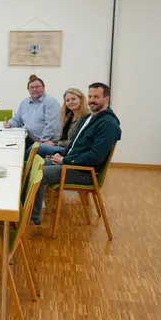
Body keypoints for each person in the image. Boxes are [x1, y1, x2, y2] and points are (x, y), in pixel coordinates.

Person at [30, 83, 121, 225]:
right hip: (72, 163)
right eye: (90, 96)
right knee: (30, 166)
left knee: (39, 174)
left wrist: (65, 160)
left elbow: (95, 157)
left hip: (84, 172)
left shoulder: (107, 124)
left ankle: (32, 219)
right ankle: (21, 209)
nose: (92, 100)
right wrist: (63, 157)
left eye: (96, 97)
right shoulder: (90, 118)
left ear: (106, 99)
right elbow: (74, 144)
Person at [4, 75, 61, 155]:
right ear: (28, 89)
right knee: (7, 144)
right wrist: (10, 123)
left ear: (43, 87)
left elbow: (52, 126)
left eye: (37, 87)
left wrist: (42, 141)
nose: (34, 89)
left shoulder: (51, 102)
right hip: (28, 137)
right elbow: (17, 119)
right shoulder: (24, 103)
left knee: (18, 153)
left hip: (44, 141)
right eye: (32, 87)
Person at [36, 88, 91, 157]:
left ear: (81, 99)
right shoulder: (69, 116)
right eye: (67, 100)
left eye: (73, 99)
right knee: (37, 145)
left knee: (39, 148)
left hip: (74, 151)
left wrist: (56, 144)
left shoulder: (87, 117)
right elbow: (62, 137)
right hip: (65, 148)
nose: (70, 102)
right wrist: (51, 141)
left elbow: (79, 141)